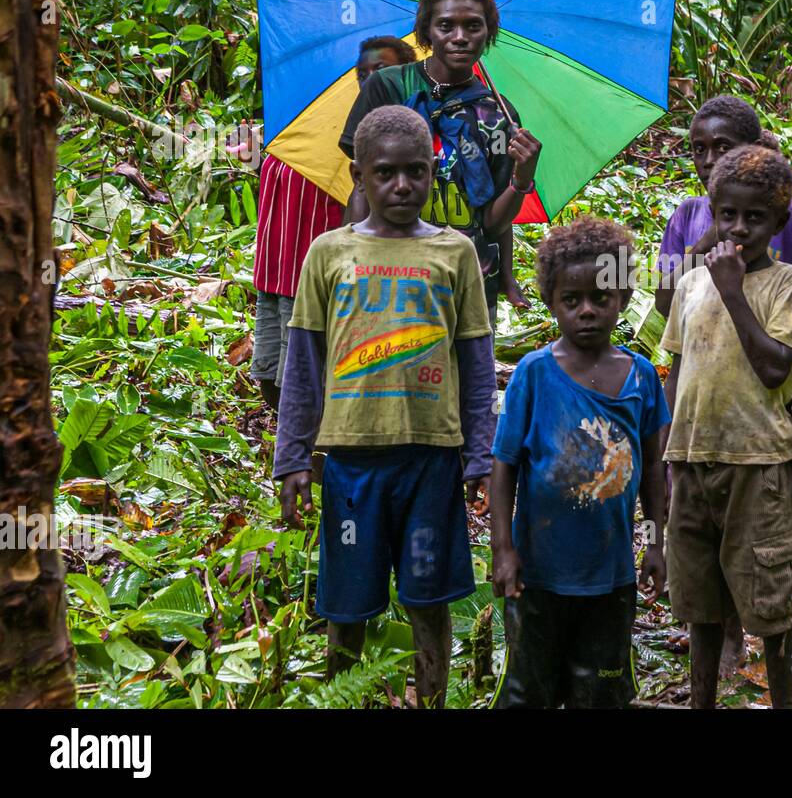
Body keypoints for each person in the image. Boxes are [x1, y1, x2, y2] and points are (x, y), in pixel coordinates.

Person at [273, 105, 498, 708]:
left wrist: (480, 456)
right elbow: (304, 362)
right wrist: (292, 457)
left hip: (431, 460)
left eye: (417, 172)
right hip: (350, 462)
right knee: (345, 604)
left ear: (433, 171)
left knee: (429, 599)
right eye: (386, 173)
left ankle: (432, 699)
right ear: (359, 175)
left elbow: (476, 365)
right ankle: (340, 697)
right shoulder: (328, 252)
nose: (403, 186)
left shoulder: (455, 254)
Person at [488, 216, 670, 708]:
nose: (587, 311)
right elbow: (503, 466)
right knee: (529, 691)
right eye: (572, 301)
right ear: (552, 302)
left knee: (600, 691)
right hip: (537, 576)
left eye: (601, 298)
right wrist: (502, 550)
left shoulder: (642, 378)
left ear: (624, 297)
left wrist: (654, 544)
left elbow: (654, 469)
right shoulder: (533, 374)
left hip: (610, 578)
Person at [661, 143, 792, 709]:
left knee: (771, 608)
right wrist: (670, 453)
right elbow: (677, 370)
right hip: (696, 461)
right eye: (728, 214)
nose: (740, 227)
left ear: (779, 222)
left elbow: (776, 368)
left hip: (760, 465)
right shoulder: (690, 285)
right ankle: (702, 699)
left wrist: (732, 290)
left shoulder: (788, 285)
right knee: (699, 604)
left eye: (755, 217)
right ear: (712, 211)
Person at [339, 0, 540, 331]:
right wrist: (351, 261)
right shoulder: (390, 86)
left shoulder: (498, 113)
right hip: (388, 273)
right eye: (446, 26)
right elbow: (362, 184)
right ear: (426, 32)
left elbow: (492, 221)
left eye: (473, 26)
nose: (460, 37)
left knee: (466, 384)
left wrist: (522, 179)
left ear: (488, 32)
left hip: (468, 278)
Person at [251, 35, 416, 410]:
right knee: (269, 369)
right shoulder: (311, 116)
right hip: (278, 259)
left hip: (316, 267)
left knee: (308, 376)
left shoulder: (397, 135)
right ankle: (292, 446)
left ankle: (314, 454)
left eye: (383, 70)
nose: (372, 78)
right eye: (365, 71)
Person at [653, 95, 792, 321]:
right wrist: (705, 244)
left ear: (755, 150)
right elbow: (663, 305)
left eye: (723, 147)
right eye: (699, 149)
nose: (709, 160)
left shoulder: (785, 212)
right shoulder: (687, 215)